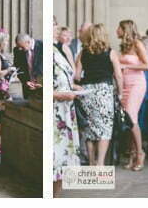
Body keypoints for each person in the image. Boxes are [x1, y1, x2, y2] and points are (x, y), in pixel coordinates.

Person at [75, 24, 124, 166]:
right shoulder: (110, 52)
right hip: (104, 92)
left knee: (89, 128)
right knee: (105, 128)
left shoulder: (83, 52)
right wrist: (120, 93)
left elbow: (77, 75)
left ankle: (91, 162)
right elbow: (118, 76)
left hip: (87, 92)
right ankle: (100, 163)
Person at [116, 20, 148, 171]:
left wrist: (126, 65)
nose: (116, 30)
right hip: (124, 85)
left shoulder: (137, 43)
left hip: (137, 83)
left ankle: (140, 153)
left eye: (119, 27)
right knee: (129, 121)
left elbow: (147, 65)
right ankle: (132, 155)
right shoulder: (123, 46)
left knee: (131, 117)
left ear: (125, 29)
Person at [52, 23, 82, 196]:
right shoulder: (46, 51)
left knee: (64, 158)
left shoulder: (58, 50)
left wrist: (73, 87)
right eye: (53, 26)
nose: (57, 28)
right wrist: (63, 95)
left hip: (65, 112)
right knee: (55, 158)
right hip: (56, 112)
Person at [13, 34, 42, 100]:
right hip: (28, 88)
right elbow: (19, 69)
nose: (20, 49)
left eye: (22, 47)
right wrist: (25, 81)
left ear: (28, 42)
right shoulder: (17, 50)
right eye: (18, 46)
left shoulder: (43, 46)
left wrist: (40, 83)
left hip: (42, 86)